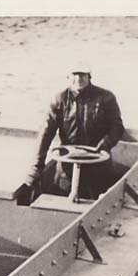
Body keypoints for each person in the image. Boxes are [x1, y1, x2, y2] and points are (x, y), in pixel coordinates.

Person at [19, 66, 124, 203]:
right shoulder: (60, 99)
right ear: (69, 76)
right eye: (75, 74)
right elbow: (46, 133)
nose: (78, 78)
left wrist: (105, 145)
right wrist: (37, 167)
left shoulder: (106, 98)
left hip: (97, 163)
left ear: (89, 76)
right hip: (67, 165)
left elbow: (117, 128)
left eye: (82, 74)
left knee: (98, 198)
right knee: (61, 194)